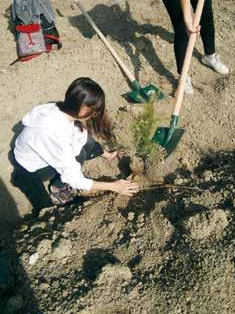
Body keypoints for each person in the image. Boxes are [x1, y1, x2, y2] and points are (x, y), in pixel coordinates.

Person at [11, 77, 139, 215]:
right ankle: (57, 190)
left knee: (84, 143)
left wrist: (107, 154)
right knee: (47, 210)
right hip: (29, 169)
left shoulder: (60, 108)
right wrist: (114, 186)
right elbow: (74, 179)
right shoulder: (55, 134)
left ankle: (59, 183)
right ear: (83, 107)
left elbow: (84, 138)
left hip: (36, 150)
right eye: (94, 110)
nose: (95, 114)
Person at [154, 0, 229, 94]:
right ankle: (184, 76)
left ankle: (209, 56)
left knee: (206, 14)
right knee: (182, 27)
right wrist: (189, 22)